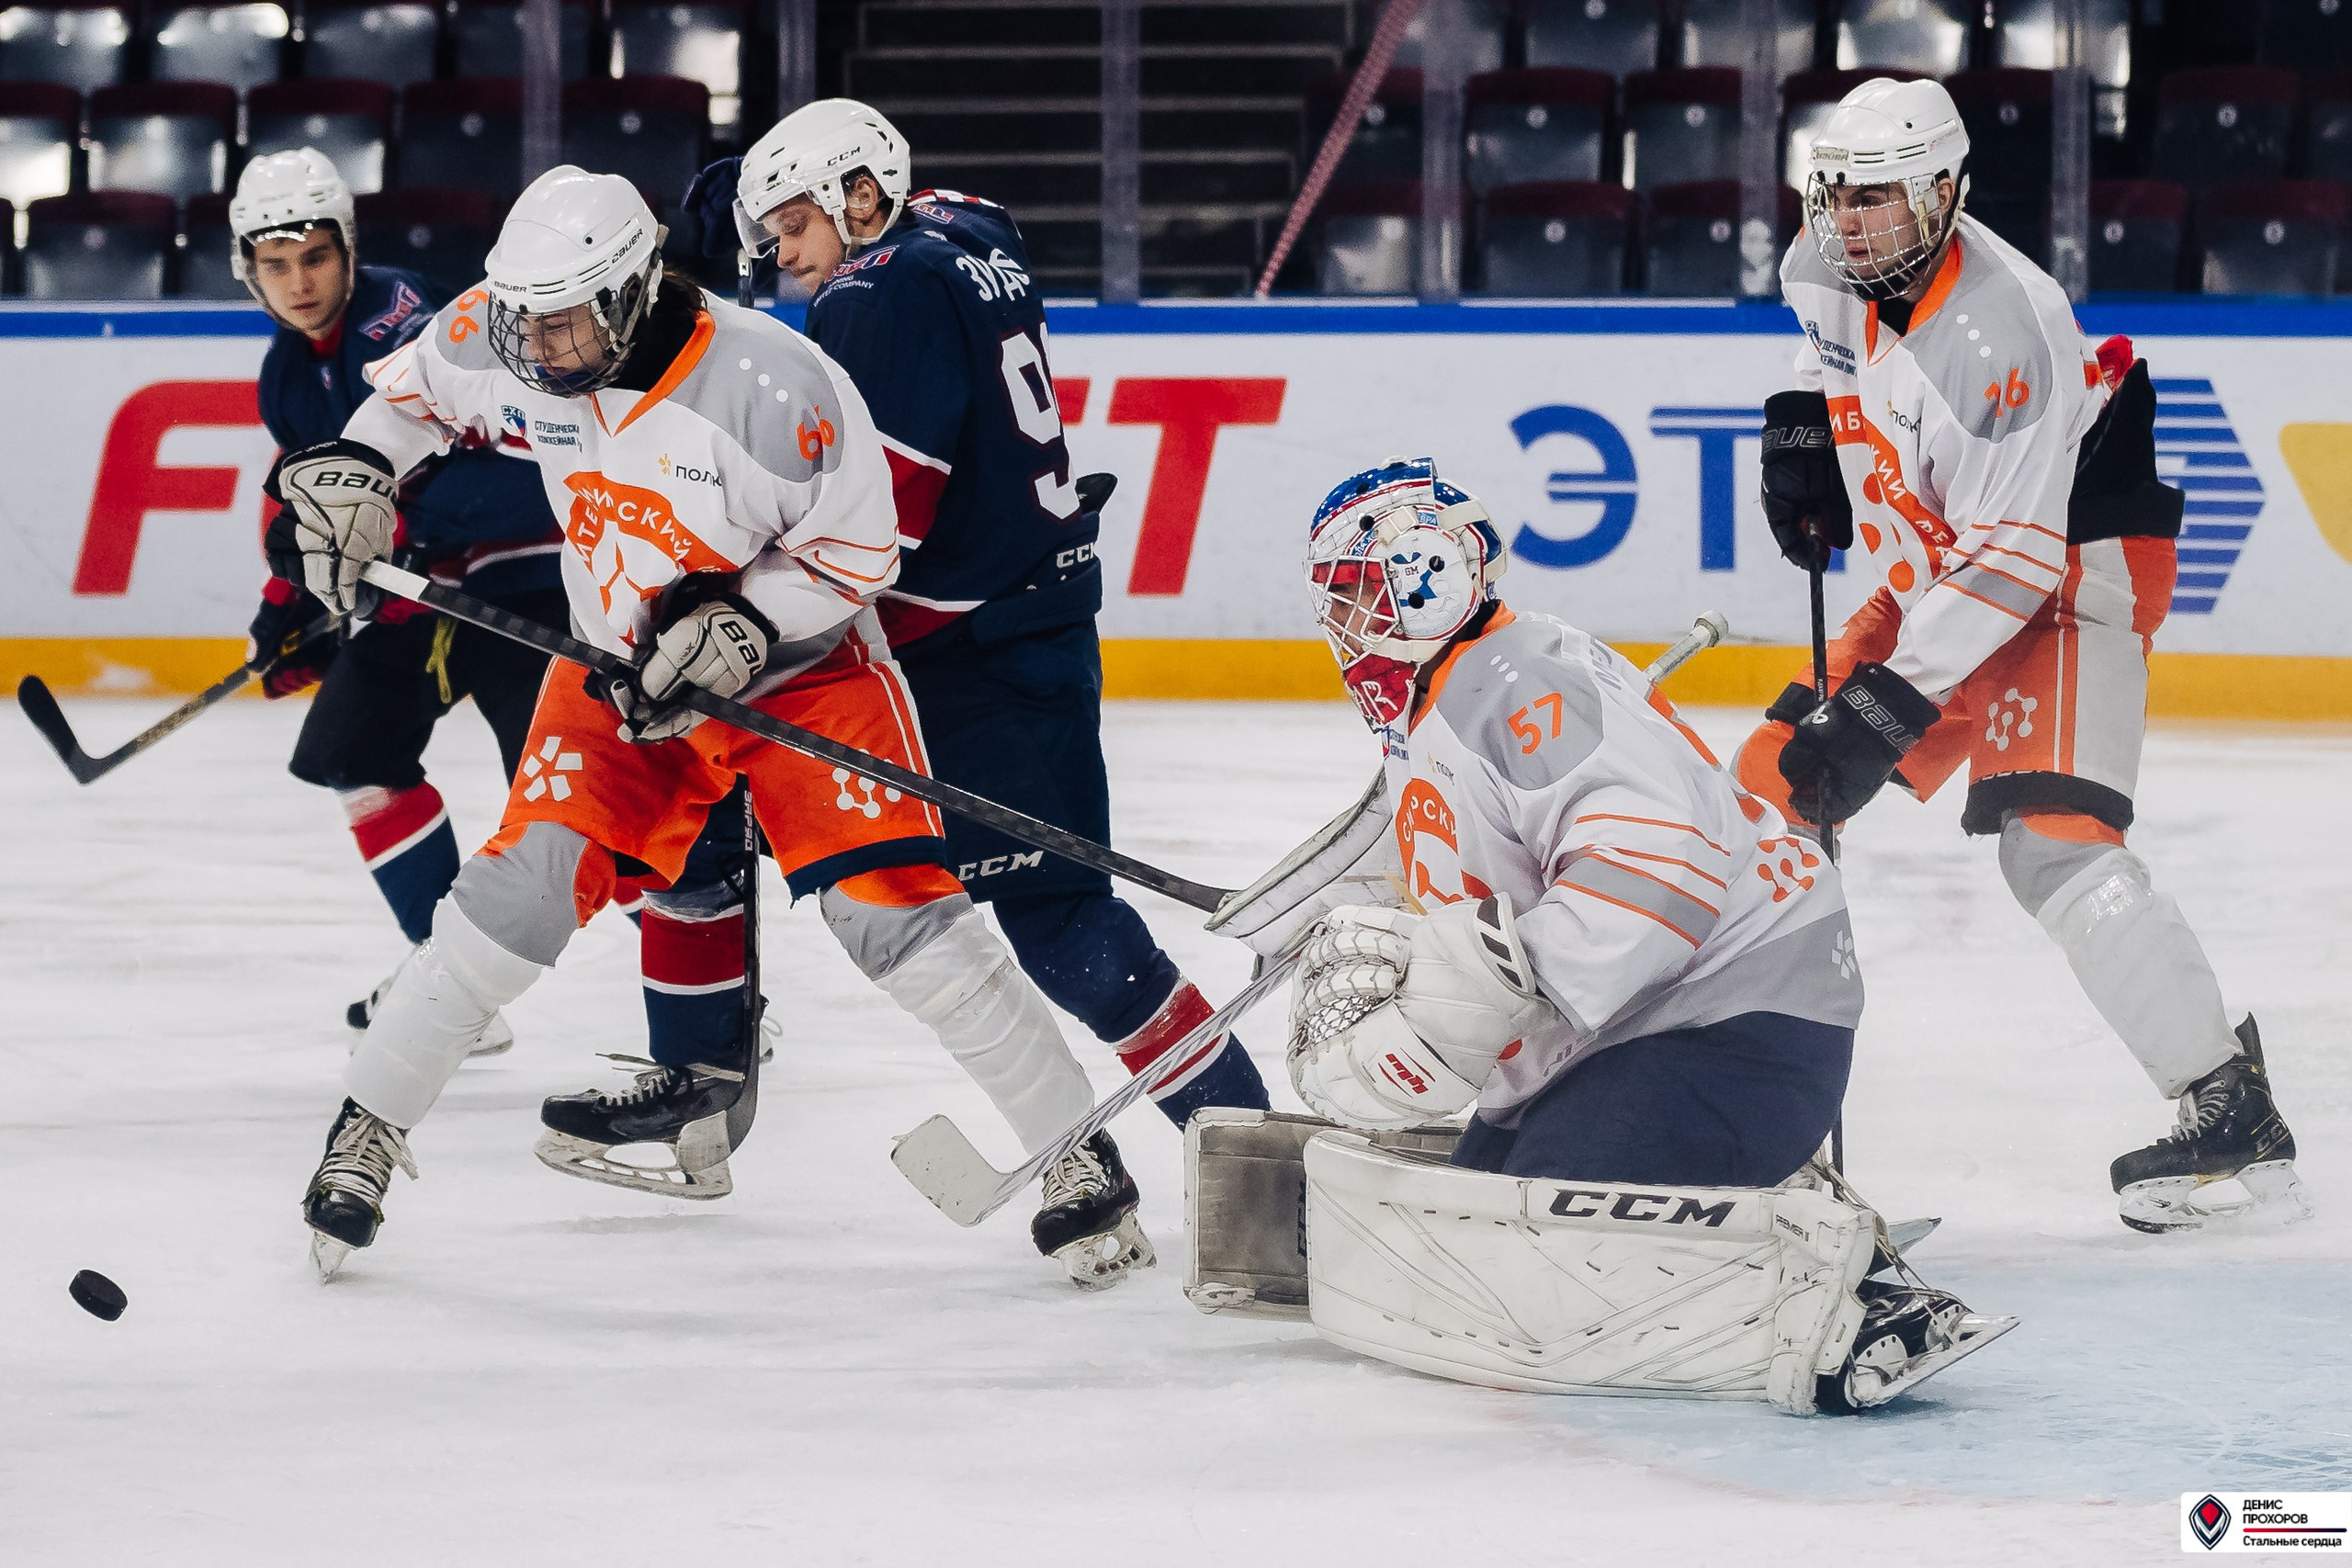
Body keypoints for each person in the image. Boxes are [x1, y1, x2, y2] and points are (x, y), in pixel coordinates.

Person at [272, 167, 1148, 1290]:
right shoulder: (511, 325)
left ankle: (1077, 1153)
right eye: (521, 321)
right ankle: (369, 1131)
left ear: (636, 291)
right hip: (614, 673)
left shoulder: (778, 385)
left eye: (565, 320)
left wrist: (745, 623)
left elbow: (859, 554)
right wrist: (356, 468)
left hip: (797, 674)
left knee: (899, 924)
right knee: (514, 898)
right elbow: (409, 394)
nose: (536, 348)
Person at [1254, 457, 2006, 1414]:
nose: (1341, 623)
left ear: (1425, 577)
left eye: (1358, 595)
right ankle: (1756, 1203)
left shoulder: (1517, 686)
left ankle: (1858, 1309)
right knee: (1471, 1224)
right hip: (1635, 1031)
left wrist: (1486, 985)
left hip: (1740, 1027)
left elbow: (1659, 871)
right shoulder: (1455, 689)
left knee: (1534, 1251)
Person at [1736, 77, 2308, 1234]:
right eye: (1836, 197)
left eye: (1880, 201)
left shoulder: (2007, 334)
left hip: (2073, 555)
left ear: (1947, 192)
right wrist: (1803, 421)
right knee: (1763, 794)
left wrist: (1889, 706)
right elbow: (1833, 363)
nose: (1851, 225)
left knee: (2051, 842)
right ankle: (1713, 1103)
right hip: (1951, 559)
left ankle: (2229, 1114)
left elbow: (2015, 560)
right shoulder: (1819, 262)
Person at [673, 99, 1271, 1131]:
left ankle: (1251, 1146)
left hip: (974, 648)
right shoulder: (967, 232)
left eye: (796, 232)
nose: (791, 265)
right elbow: (937, 207)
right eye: (773, 240)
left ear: (861, 199)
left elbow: (872, 526)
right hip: (1024, 619)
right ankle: (704, 1062)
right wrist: (767, 190)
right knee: (722, 812)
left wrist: (747, 595)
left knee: (1063, 924)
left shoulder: (872, 291)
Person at [233, 148, 567, 1055]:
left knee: (577, 803)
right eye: (275, 264)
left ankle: (716, 1005)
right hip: (422, 590)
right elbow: (306, 491)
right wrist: (286, 602)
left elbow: (467, 466)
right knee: (355, 754)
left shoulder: (398, 322)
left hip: (522, 572)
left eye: (314, 257)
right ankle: (451, 985)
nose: (298, 282)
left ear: (348, 249)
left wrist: (371, 549)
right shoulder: (288, 372)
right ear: (247, 269)